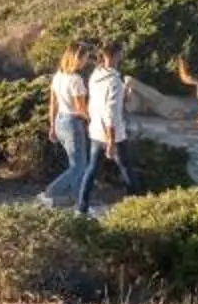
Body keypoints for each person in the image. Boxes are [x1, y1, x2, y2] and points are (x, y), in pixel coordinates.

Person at [39, 46, 93, 212]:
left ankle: (80, 205)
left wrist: (52, 126)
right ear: (78, 58)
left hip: (60, 121)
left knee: (76, 165)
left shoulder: (58, 76)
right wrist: (93, 119)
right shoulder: (76, 80)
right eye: (85, 58)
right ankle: (50, 193)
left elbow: (53, 103)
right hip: (72, 123)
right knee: (79, 166)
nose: (86, 62)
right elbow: (80, 108)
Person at [86, 44, 133, 204]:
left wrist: (123, 95)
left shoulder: (95, 75)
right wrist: (111, 141)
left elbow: (97, 103)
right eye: (120, 55)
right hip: (114, 134)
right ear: (115, 56)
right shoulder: (114, 81)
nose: (121, 58)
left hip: (95, 131)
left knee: (91, 170)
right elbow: (111, 112)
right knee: (127, 170)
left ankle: (81, 207)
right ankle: (136, 205)